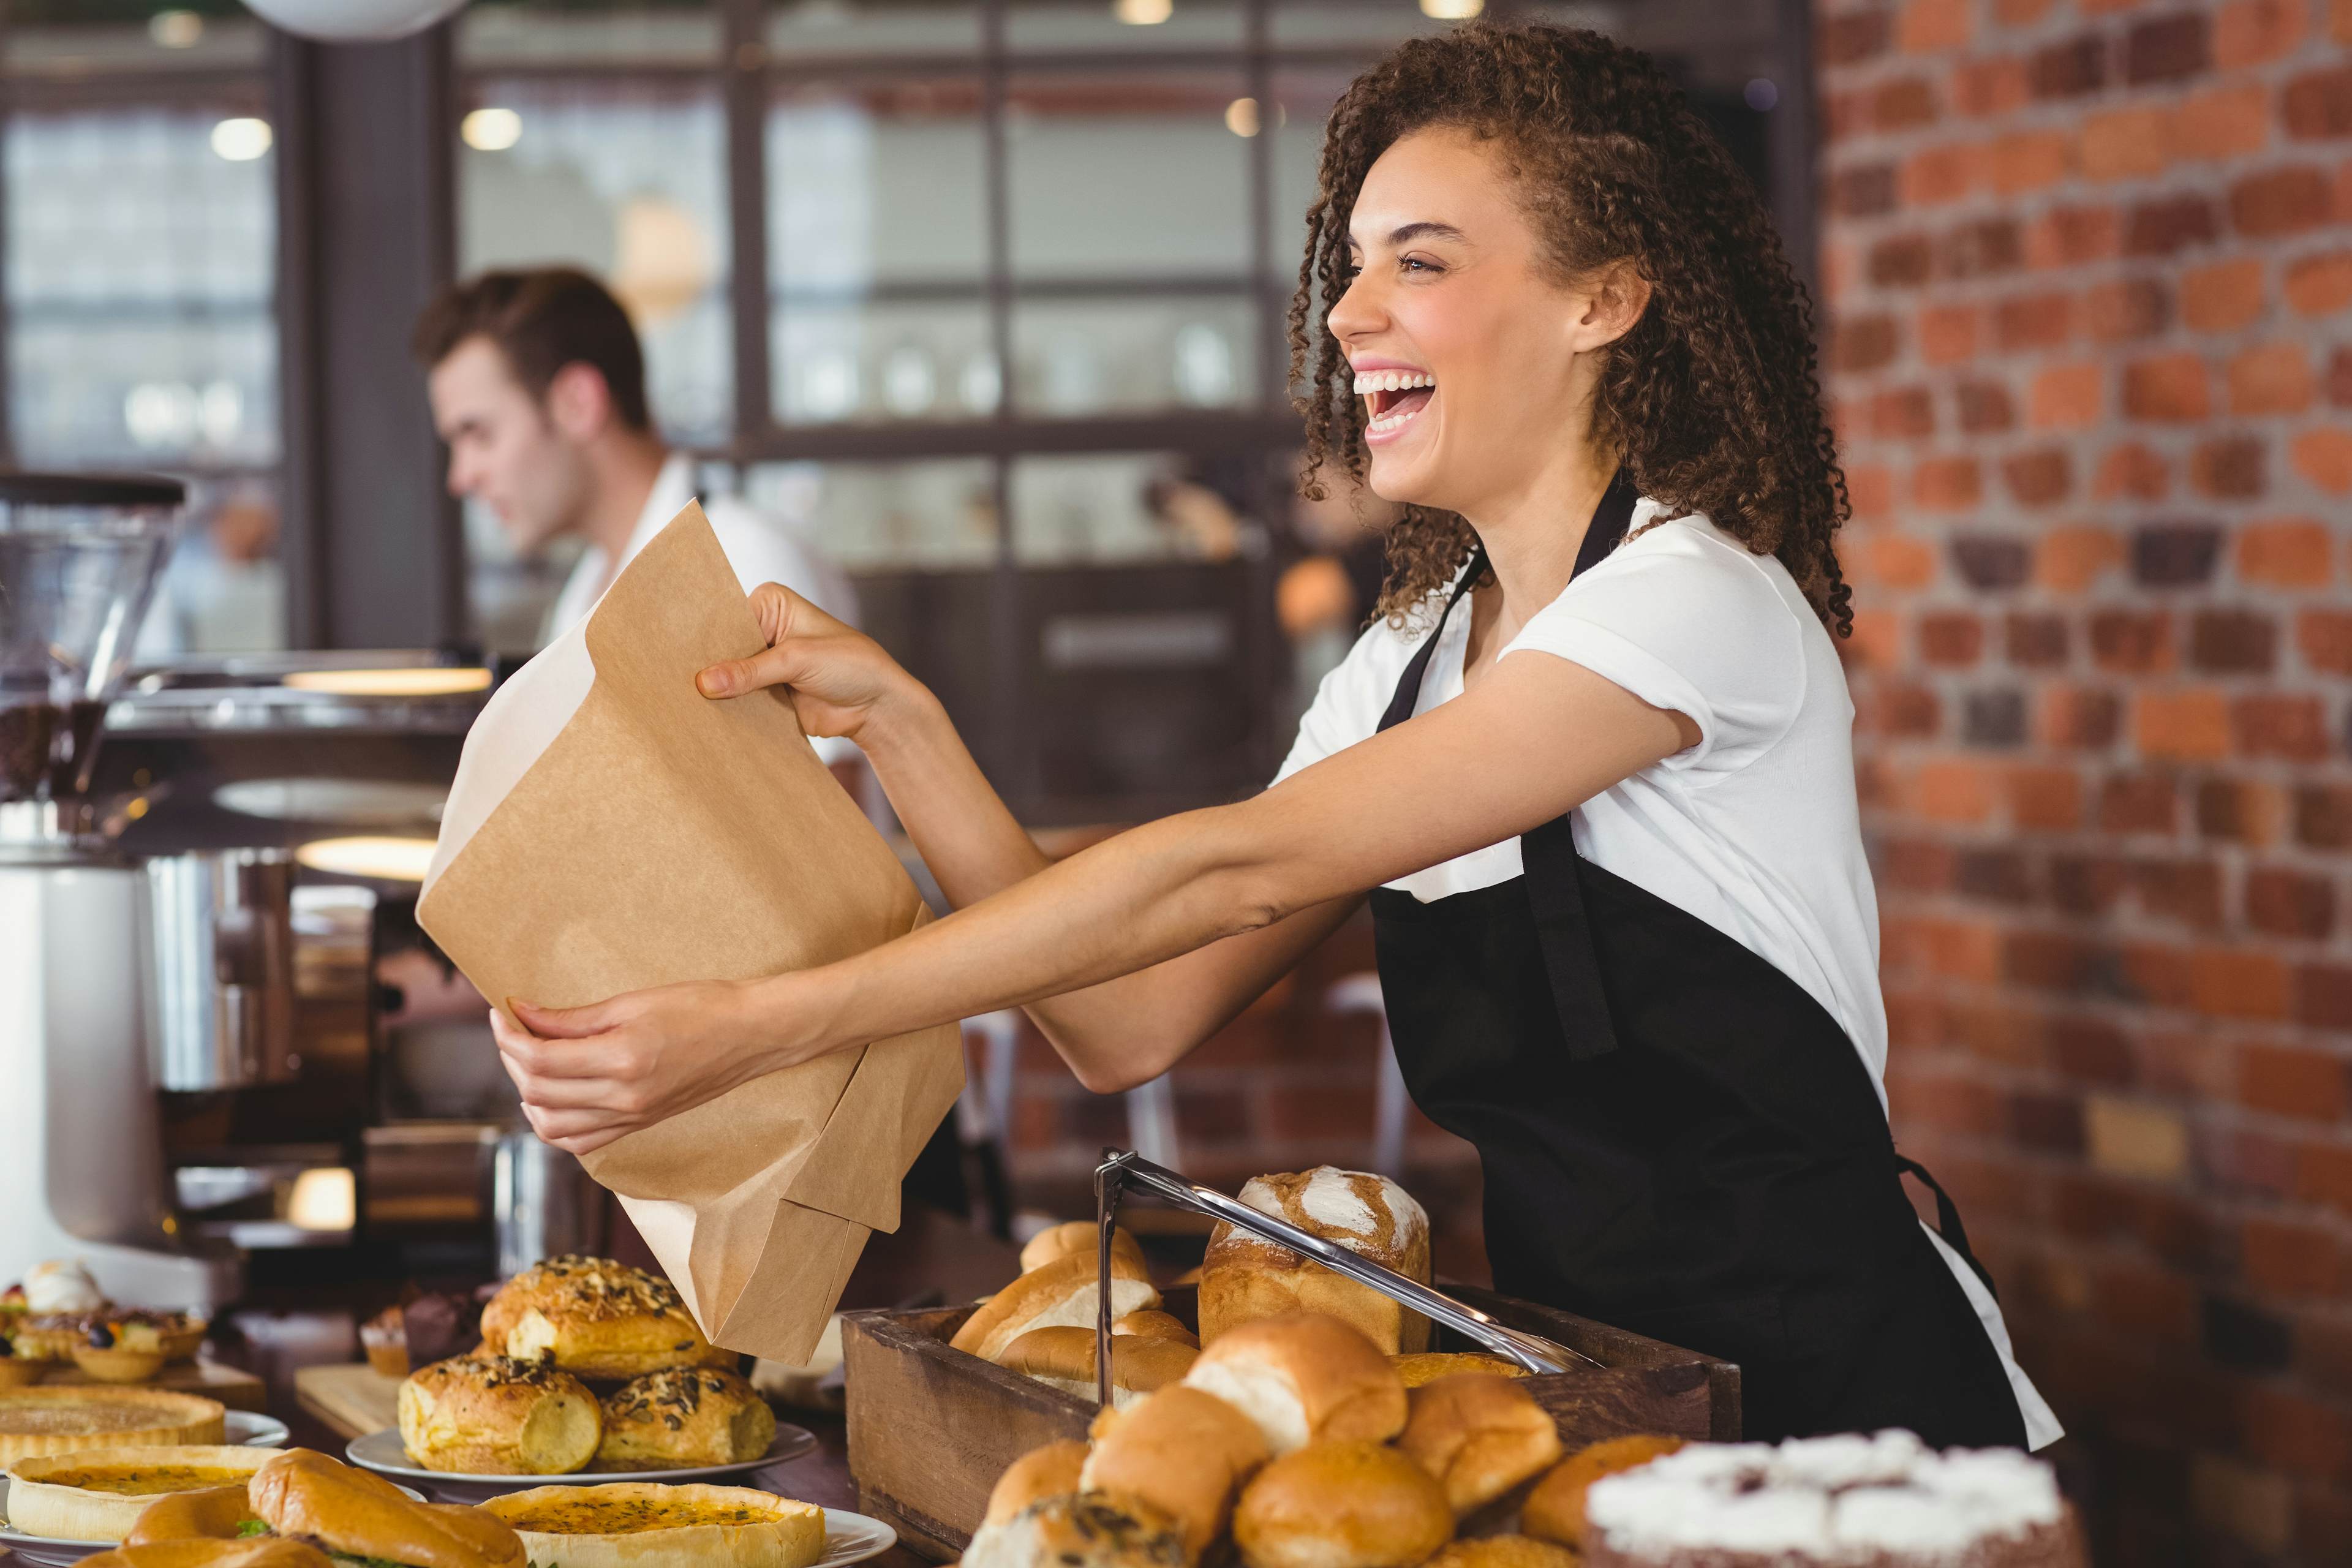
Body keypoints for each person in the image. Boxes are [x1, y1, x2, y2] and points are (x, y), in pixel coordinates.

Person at [485, 24, 2059, 1451]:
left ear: (1605, 295)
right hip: (1601, 1413)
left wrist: (765, 1020)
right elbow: (1122, 1021)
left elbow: (1233, 869)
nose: (1353, 310)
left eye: (1419, 262)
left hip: (1857, 1414)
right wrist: (905, 724)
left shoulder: (1691, 601)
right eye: (1353, 263)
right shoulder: (1402, 663)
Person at [412, 266, 856, 647]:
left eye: (480, 435)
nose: (461, 477)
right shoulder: (585, 592)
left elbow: (818, 751)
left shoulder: (744, 565)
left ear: (578, 403)